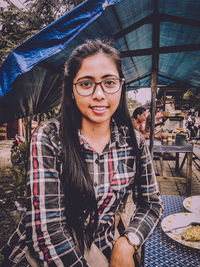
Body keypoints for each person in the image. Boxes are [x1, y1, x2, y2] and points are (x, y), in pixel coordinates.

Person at [2, 39, 163, 267]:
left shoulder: (134, 142)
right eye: (86, 84)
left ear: (121, 85)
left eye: (109, 82)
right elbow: (48, 231)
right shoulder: (49, 137)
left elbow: (152, 203)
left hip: (102, 252)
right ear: (71, 90)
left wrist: (128, 242)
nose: (99, 94)